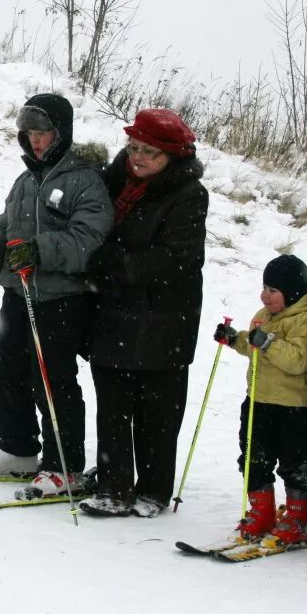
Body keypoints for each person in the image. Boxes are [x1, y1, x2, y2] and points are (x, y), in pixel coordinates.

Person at [0, 93, 114, 497]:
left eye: (43, 132)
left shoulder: (84, 180)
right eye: (29, 133)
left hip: (60, 298)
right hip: (17, 291)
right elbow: (7, 230)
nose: (36, 141)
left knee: (52, 381)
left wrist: (40, 250)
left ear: (61, 133)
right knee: (3, 374)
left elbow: (89, 239)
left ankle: (65, 466)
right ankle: (18, 448)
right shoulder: (24, 181)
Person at [81, 108, 208, 518]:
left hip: (164, 318)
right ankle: (113, 484)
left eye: (150, 152)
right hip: (115, 310)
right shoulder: (116, 180)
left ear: (172, 155)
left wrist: (112, 260)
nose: (138, 157)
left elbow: (174, 258)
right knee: (113, 404)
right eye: (134, 147)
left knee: (157, 410)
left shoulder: (188, 194)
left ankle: (153, 491)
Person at [213, 255, 307, 543]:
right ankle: (261, 510)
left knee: (293, 460)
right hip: (259, 400)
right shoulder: (264, 315)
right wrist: (234, 339)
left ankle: (298, 515)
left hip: (295, 406)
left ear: (293, 292)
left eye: (273, 290)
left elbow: (300, 360)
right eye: (265, 287)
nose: (265, 295)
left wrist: (268, 342)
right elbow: (253, 347)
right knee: (253, 456)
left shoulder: (306, 319)